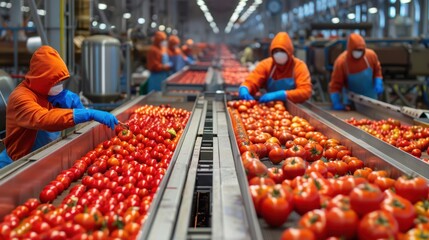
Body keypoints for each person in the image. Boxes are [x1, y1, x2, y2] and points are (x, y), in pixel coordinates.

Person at [0, 46, 118, 168]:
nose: (59, 85)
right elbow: (43, 119)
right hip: (16, 163)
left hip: (43, 156)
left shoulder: (47, 93)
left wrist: (76, 108)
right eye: (55, 82)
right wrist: (85, 114)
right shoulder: (20, 98)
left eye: (61, 82)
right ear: (41, 79)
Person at [238, 32, 312, 103]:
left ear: (289, 51)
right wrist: (245, 88)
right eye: (275, 51)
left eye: (282, 51)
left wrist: (281, 95)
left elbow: (305, 91)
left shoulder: (299, 66)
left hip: (295, 106)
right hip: (271, 105)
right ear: (271, 52)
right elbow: (252, 80)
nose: (279, 54)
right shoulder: (266, 65)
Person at [329, 33, 384, 110]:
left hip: (371, 101)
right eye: (356, 50)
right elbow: (335, 85)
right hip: (351, 103)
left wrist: (378, 82)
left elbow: (377, 72)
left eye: (361, 50)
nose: (359, 52)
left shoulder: (371, 56)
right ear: (350, 49)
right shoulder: (341, 62)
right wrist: (336, 102)